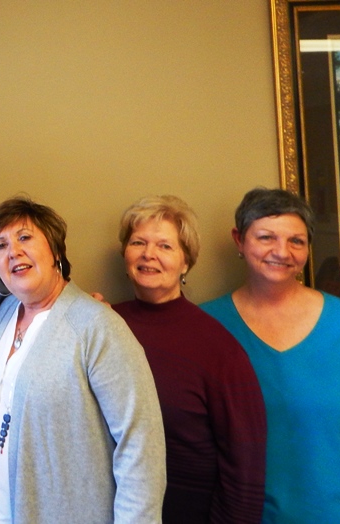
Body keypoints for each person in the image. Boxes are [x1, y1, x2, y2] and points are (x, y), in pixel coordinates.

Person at [0, 196, 166, 524]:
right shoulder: (3, 316)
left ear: (56, 251)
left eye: (25, 238)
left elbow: (140, 445)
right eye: (0, 245)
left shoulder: (97, 325)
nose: (13, 251)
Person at [201, 188, 340, 522]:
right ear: (239, 240)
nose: (282, 252)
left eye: (297, 241)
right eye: (266, 237)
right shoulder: (205, 328)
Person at [111, 195, 265, 523]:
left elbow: (245, 466)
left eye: (165, 246)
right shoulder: (102, 325)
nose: (148, 254)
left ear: (185, 262)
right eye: (138, 242)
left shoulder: (218, 346)